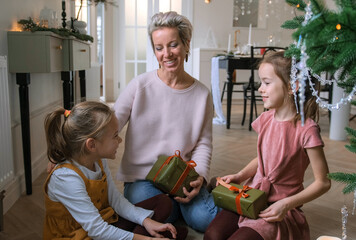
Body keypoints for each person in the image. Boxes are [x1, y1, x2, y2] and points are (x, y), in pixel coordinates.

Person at [204, 51, 331, 240]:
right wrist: (240, 176)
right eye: (261, 82)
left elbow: (323, 182)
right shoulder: (265, 119)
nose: (260, 89)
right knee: (212, 235)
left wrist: (286, 204)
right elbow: (263, 158)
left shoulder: (307, 130)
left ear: (291, 87)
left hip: (279, 207)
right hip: (252, 195)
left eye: (267, 82)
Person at [114, 11, 219, 232]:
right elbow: (110, 124)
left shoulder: (202, 94)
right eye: (159, 48)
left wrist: (199, 176)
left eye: (173, 45)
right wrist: (68, 152)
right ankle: (178, 207)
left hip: (182, 176)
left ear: (186, 43)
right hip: (142, 178)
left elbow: (203, 143)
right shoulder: (139, 85)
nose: (166, 54)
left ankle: (191, 200)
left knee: (205, 220)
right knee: (162, 211)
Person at [43, 101, 187, 240]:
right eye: (115, 136)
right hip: (81, 235)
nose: (120, 140)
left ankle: (151, 233)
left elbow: (115, 200)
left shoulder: (98, 159)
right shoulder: (66, 177)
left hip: (106, 220)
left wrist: (146, 221)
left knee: (163, 201)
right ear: (91, 145)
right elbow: (97, 230)